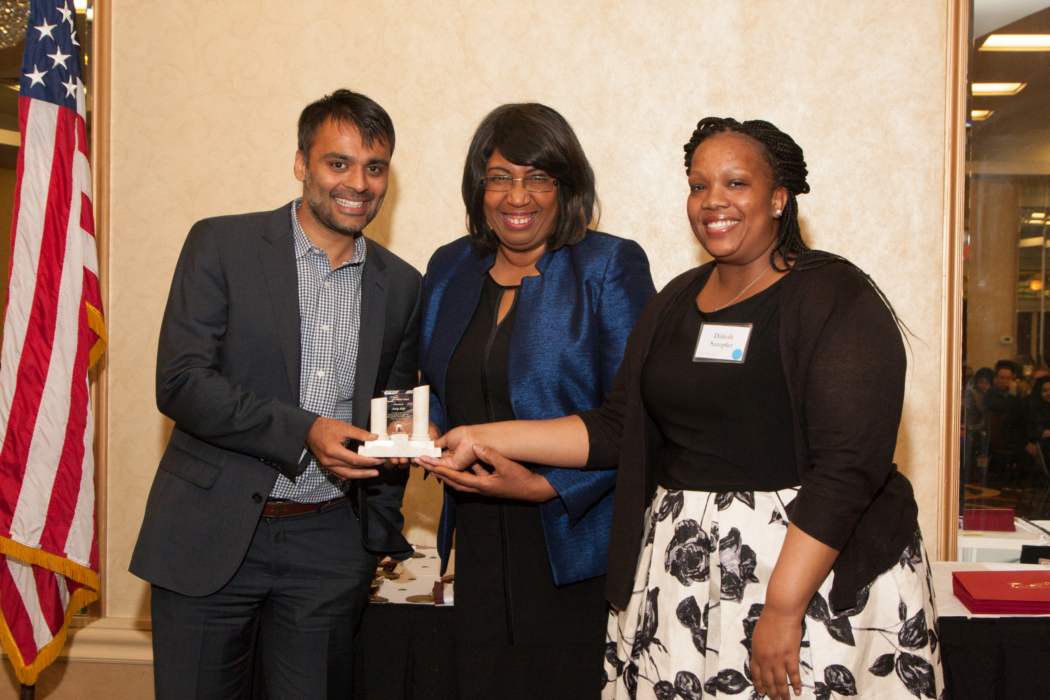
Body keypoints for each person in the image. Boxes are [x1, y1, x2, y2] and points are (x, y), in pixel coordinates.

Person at [422, 117, 943, 700]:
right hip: (687, 574)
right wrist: (480, 435)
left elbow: (847, 470)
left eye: (736, 183)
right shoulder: (676, 301)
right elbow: (618, 426)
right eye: (699, 186)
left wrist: (781, 608)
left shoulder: (835, 296)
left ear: (778, 198)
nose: (713, 200)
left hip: (804, 573)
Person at [130, 89, 422, 699]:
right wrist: (305, 430)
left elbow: (394, 407)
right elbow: (181, 381)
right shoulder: (221, 245)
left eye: (374, 167)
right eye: (338, 163)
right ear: (300, 163)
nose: (358, 183)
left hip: (328, 549)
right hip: (209, 537)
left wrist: (374, 532)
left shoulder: (401, 284)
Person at [418, 103, 656, 699]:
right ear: (479, 187)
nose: (516, 196)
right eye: (499, 177)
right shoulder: (450, 267)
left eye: (537, 177)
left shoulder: (608, 265)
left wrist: (545, 486)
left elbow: (637, 419)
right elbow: (445, 389)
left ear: (566, 187)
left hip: (575, 543)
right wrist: (424, 433)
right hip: (477, 539)